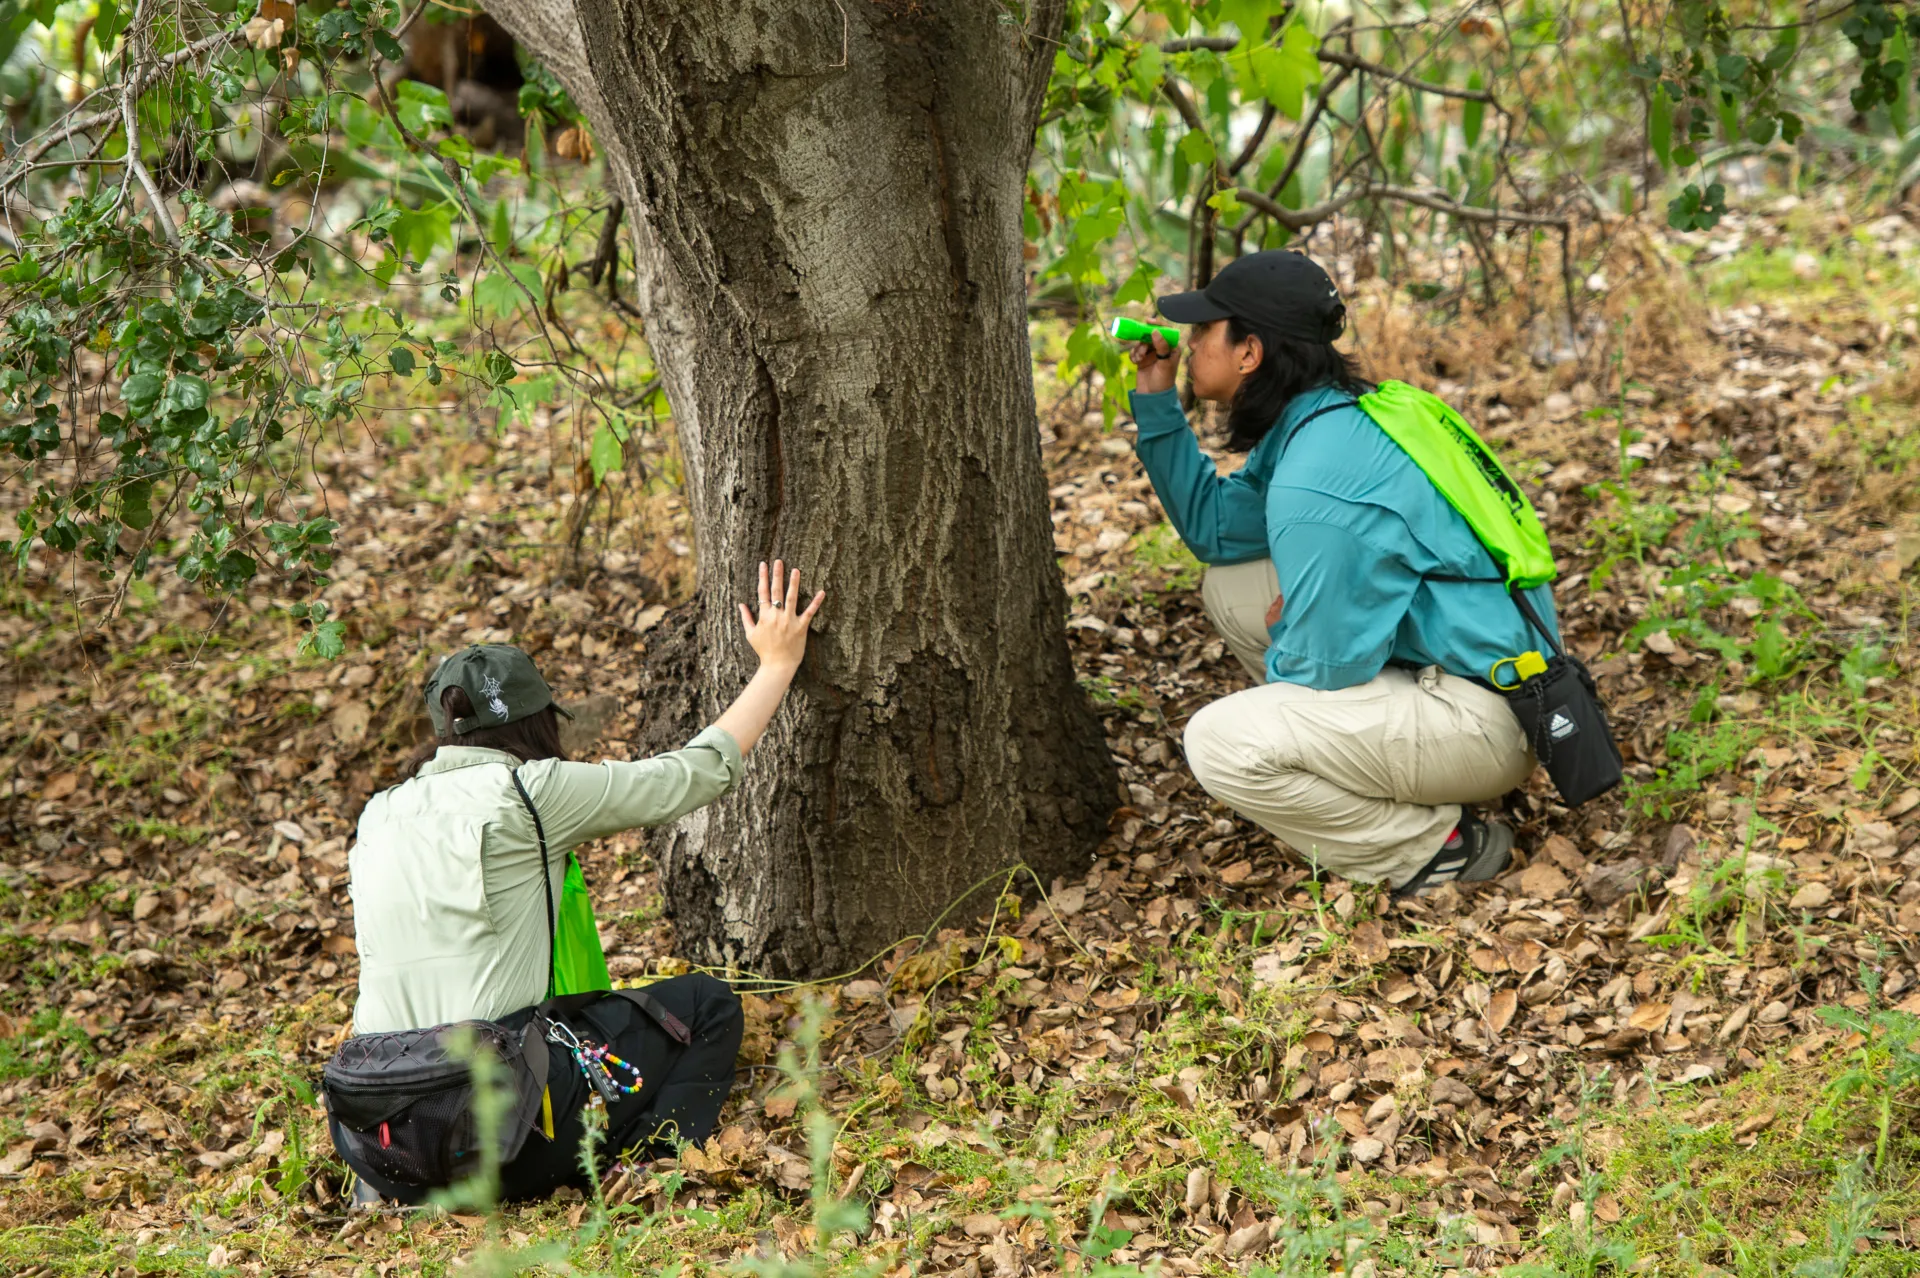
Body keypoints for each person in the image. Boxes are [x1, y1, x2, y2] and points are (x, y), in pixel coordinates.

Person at [333, 561, 825, 1203]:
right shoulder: (529, 791)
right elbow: (694, 773)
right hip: (505, 1141)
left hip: (387, 1145)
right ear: (539, 722)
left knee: (546, 1015)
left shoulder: (379, 814)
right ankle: (651, 1160)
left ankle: (395, 1189)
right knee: (705, 1005)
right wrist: (777, 666)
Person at [1125, 250, 1559, 897]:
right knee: (1233, 586)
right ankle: (1389, 788)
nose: (1188, 345)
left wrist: (1297, 633)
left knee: (1219, 743)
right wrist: (1156, 397)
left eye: (1203, 332)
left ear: (1249, 353)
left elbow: (1325, 670)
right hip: (1487, 682)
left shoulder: (1315, 483)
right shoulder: (1332, 418)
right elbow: (1216, 532)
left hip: (1488, 721)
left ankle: (1435, 848)